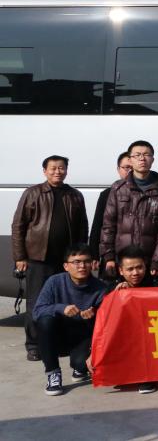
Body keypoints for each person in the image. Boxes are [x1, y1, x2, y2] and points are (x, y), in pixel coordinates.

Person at [12, 155, 89, 362]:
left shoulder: (74, 195)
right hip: (38, 258)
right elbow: (18, 226)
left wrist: (81, 256)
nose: (57, 172)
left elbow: (83, 226)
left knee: (65, 301)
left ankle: (60, 343)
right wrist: (20, 256)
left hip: (66, 261)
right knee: (37, 302)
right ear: (45, 171)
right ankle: (34, 345)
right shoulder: (32, 193)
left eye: (61, 168)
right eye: (53, 168)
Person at [32, 244, 106, 395]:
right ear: (66, 266)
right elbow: (37, 312)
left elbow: (106, 323)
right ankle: (53, 374)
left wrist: (93, 316)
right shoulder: (54, 282)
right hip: (59, 335)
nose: (82, 266)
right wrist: (61, 308)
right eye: (76, 262)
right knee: (45, 321)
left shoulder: (101, 288)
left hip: (83, 336)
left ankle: (80, 368)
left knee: (80, 363)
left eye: (86, 261)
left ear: (92, 264)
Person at [100, 140, 158, 283]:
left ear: (152, 159)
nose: (142, 158)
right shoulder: (118, 188)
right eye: (137, 155)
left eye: (147, 155)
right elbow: (108, 225)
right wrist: (108, 256)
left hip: (149, 262)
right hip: (121, 261)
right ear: (130, 160)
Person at [107, 246, 158, 394]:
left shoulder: (157, 285)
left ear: (145, 267)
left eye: (139, 267)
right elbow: (105, 322)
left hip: (151, 335)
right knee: (79, 362)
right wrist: (117, 296)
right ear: (121, 271)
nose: (135, 273)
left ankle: (147, 377)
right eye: (130, 269)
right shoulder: (113, 289)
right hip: (124, 339)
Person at [88, 152, 131, 262]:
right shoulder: (107, 194)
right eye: (126, 167)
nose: (130, 171)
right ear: (118, 169)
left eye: (133, 168)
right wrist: (94, 254)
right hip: (112, 254)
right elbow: (97, 225)